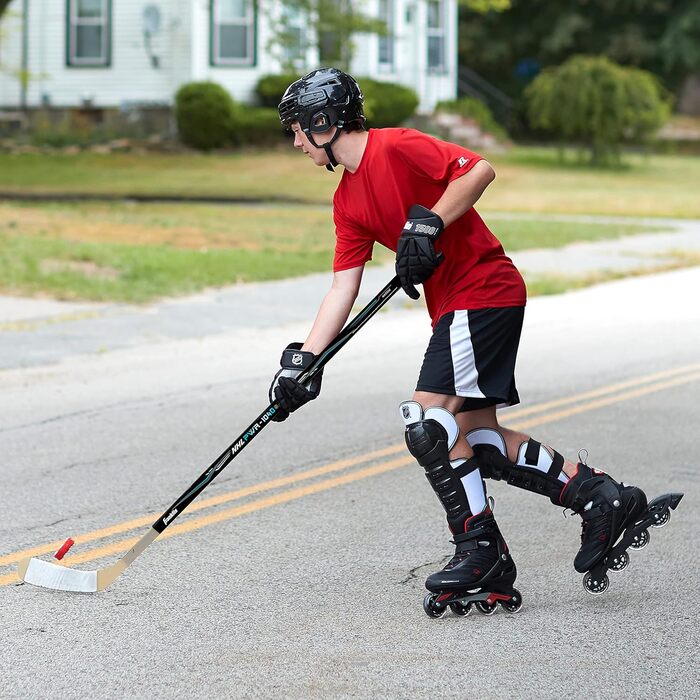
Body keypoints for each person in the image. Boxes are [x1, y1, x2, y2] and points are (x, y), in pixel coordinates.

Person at [268, 67, 681, 616]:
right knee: (474, 438)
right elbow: (344, 286)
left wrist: (428, 223)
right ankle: (602, 499)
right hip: (463, 305)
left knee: (427, 423)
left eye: (297, 129)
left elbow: (478, 170)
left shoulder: (396, 147)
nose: (296, 141)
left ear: (324, 121)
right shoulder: (347, 202)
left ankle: (480, 551)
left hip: (484, 290)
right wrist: (305, 361)